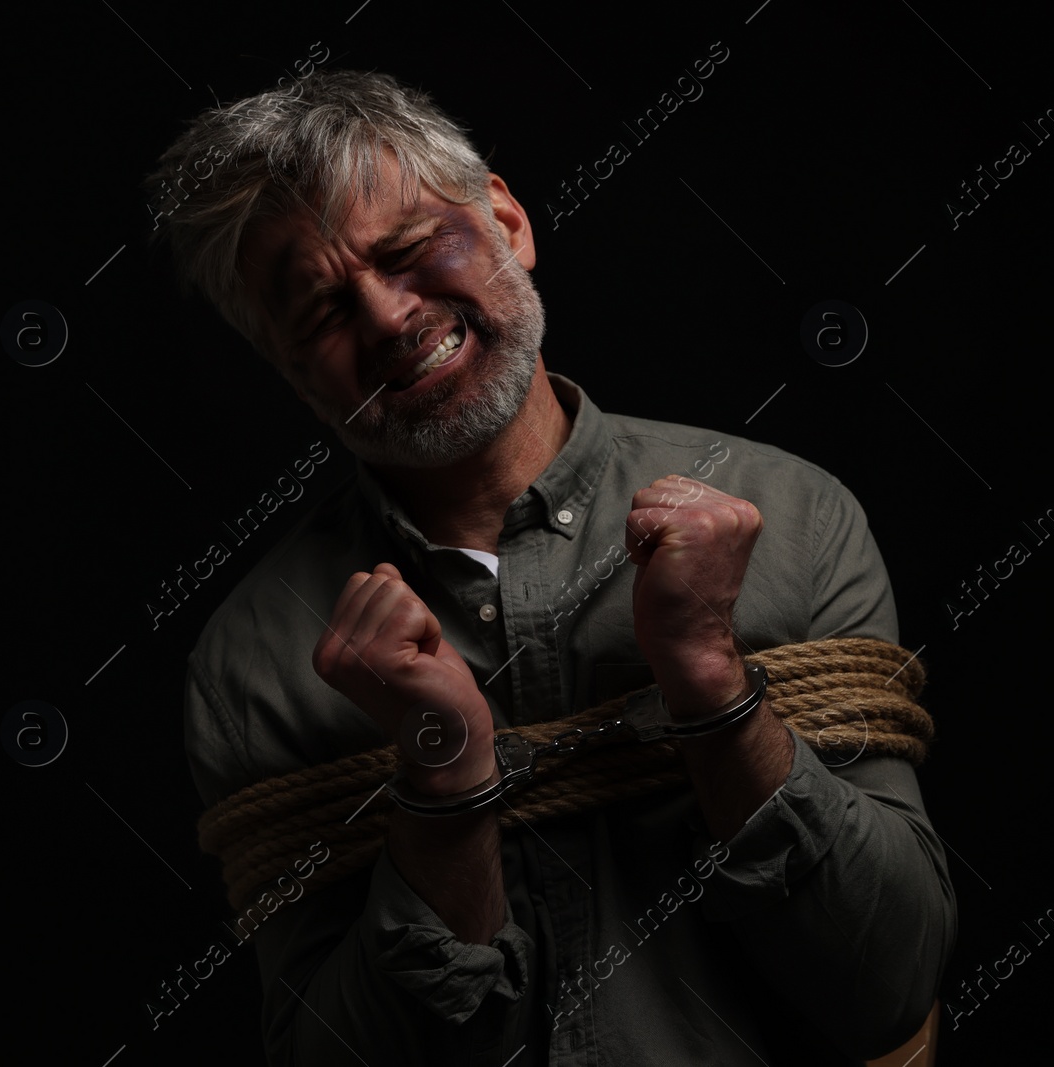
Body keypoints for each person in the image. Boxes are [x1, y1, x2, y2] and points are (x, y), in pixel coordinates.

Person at [147, 70, 956, 1066]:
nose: (389, 316)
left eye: (408, 251)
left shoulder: (791, 517)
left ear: (507, 222)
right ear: (287, 368)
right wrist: (441, 782)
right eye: (320, 312)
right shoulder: (256, 662)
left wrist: (708, 677)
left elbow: (886, 984)